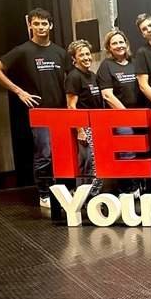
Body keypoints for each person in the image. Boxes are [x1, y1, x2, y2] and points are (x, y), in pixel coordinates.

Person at [0, 7, 69, 207]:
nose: (41, 27)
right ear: (30, 25)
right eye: (36, 23)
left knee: (63, 153)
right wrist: (19, 91)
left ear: (50, 26)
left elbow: (70, 80)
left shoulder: (60, 52)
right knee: (45, 153)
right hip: (39, 112)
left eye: (44, 23)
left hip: (61, 112)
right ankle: (44, 194)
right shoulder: (23, 50)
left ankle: (64, 191)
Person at [97, 28, 142, 194]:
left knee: (142, 152)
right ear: (109, 48)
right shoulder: (106, 66)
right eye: (114, 43)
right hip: (121, 118)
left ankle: (140, 187)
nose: (119, 45)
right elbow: (107, 95)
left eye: (121, 42)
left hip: (140, 116)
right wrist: (127, 115)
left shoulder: (135, 63)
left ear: (126, 44)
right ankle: (127, 189)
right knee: (127, 153)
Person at [65, 39, 103, 197]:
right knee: (88, 164)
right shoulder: (74, 77)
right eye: (81, 55)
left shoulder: (92, 75)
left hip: (96, 125)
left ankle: (92, 197)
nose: (86, 57)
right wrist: (80, 130)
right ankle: (84, 197)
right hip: (85, 127)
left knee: (97, 165)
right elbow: (71, 106)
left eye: (88, 54)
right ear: (74, 58)